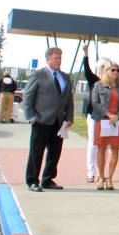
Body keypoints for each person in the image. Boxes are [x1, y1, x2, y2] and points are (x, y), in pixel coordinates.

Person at [23, 47, 75, 192]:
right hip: (41, 120)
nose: (59, 61)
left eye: (60, 58)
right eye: (56, 58)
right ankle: (32, 181)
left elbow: (69, 100)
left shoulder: (64, 77)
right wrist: (31, 117)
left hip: (59, 122)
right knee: (36, 152)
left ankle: (48, 179)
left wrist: (69, 117)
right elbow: (28, 96)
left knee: (55, 152)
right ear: (48, 59)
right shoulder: (38, 75)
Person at [91, 60, 119, 190]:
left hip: (117, 121)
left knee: (115, 149)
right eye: (113, 70)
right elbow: (95, 103)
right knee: (101, 148)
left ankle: (110, 179)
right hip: (102, 120)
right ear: (106, 71)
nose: (116, 72)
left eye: (117, 70)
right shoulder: (98, 85)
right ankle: (101, 178)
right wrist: (108, 114)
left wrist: (117, 115)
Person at [80, 45, 104, 183]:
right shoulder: (94, 80)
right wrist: (86, 54)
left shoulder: (112, 84)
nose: (106, 70)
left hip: (106, 118)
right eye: (103, 68)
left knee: (104, 145)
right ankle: (91, 172)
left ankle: (102, 172)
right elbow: (87, 70)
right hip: (94, 116)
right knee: (93, 143)